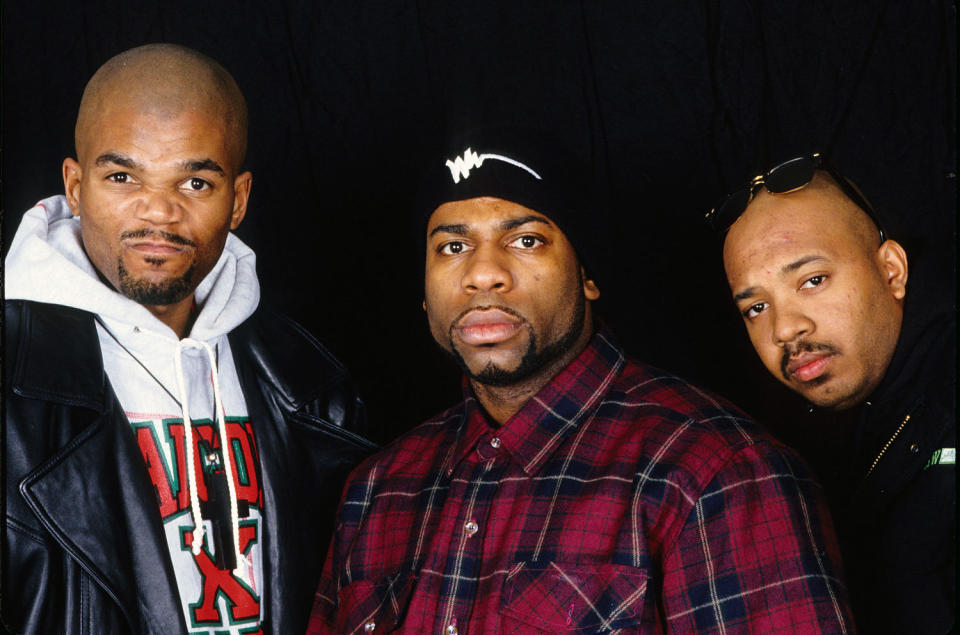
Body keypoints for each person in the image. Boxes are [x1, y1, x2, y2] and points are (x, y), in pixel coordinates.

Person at [307, 128, 852, 633]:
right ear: (424, 294)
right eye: (452, 247)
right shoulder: (377, 489)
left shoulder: (717, 472)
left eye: (525, 240)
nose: (481, 273)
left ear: (587, 276)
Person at [2, 43, 376, 635]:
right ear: (75, 186)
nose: (159, 213)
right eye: (122, 176)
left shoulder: (306, 381)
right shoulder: (14, 380)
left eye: (196, 182)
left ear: (239, 199)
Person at [715, 154, 955, 634]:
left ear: (891, 271)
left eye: (813, 280)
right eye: (757, 306)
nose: (785, 328)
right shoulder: (787, 444)